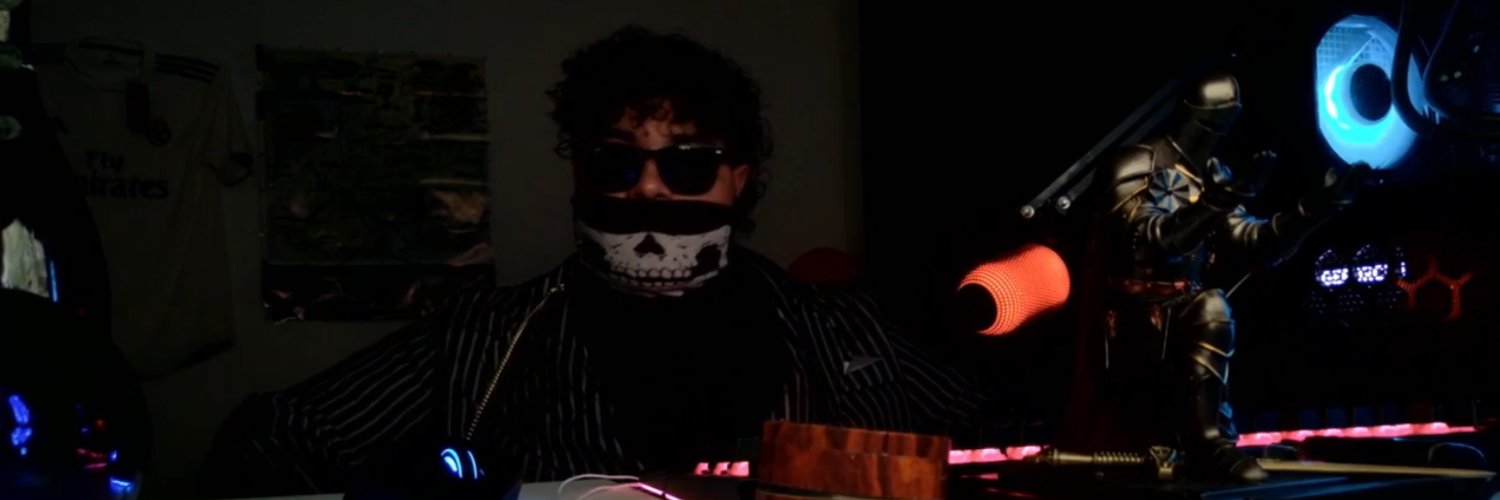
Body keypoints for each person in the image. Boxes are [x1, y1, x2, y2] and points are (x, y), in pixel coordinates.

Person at [199, 25, 984, 496]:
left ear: (738, 180)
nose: (649, 189)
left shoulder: (845, 331)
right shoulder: (483, 336)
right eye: (616, 162)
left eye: (687, 165)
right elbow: (272, 442)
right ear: (580, 172)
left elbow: (1009, 441)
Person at [1086, 73, 1367, 481]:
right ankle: (1207, 442)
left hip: (1179, 311)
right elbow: (1147, 244)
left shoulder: (1210, 173)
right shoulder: (1133, 164)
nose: (1214, 135)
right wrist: (1214, 204)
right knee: (1211, 308)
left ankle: (1208, 439)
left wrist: (1313, 209)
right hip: (1129, 315)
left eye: (1225, 124)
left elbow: (1251, 243)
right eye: (1210, 122)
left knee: (1208, 307)